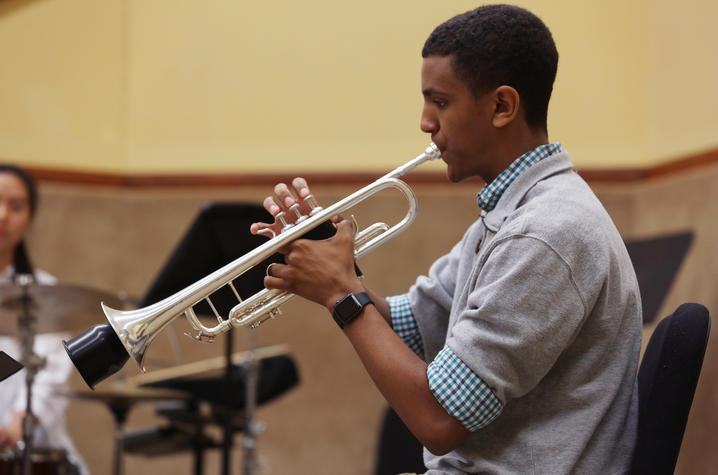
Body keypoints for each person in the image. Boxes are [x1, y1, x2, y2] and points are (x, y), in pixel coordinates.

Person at [251, 5, 641, 473]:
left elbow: (439, 420)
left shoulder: (546, 233)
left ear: (502, 106)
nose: (425, 122)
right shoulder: (510, 213)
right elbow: (414, 327)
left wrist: (341, 293)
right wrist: (326, 261)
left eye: (440, 102)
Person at [0, 165, 88, 474]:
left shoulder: (45, 293)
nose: (2, 215)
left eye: (16, 206)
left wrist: (22, 419)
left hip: (33, 446)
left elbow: (52, 370)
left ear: (30, 217)